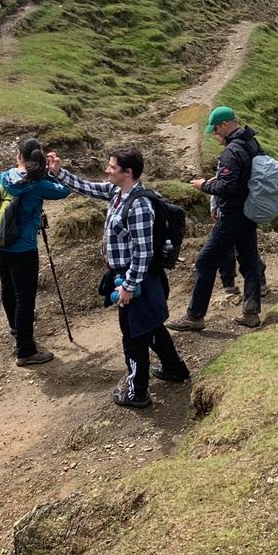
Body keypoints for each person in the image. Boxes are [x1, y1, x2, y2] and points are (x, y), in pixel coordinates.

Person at [47, 147, 190, 409]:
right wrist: (58, 172)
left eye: (112, 167)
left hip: (135, 279)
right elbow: (87, 187)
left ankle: (137, 394)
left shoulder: (139, 206)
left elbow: (144, 252)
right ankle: (175, 369)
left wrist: (128, 286)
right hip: (132, 277)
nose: (107, 170)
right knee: (151, 326)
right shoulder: (117, 193)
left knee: (133, 336)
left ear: (128, 172)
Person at [169, 106, 267, 331]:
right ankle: (251, 313)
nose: (215, 135)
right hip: (249, 212)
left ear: (225, 125)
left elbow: (227, 186)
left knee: (205, 260)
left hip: (232, 216)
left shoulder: (232, 151)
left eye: (215, 130)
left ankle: (195, 317)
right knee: (250, 261)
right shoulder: (252, 143)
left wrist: (204, 185)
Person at [0, 138, 71, 367]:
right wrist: (55, 171)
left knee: (7, 285)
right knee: (25, 297)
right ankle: (25, 351)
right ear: (41, 159)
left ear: (18, 156)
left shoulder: (3, 177)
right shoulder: (38, 184)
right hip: (22, 246)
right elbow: (64, 191)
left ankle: (16, 327)